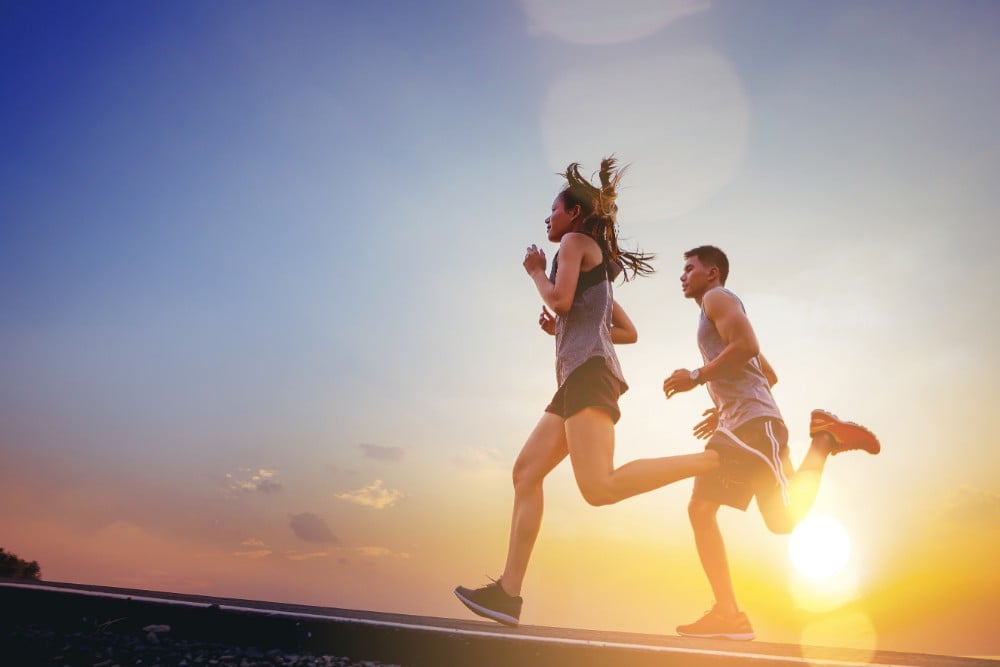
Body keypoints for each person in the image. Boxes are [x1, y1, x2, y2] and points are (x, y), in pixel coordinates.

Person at [454, 159, 723, 627]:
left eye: (553, 210)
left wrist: (537, 272)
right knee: (525, 472)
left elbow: (559, 299)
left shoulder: (575, 245)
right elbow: (625, 330)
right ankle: (507, 594)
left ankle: (712, 461)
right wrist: (564, 324)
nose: (547, 219)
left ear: (574, 216)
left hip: (589, 376)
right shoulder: (589, 261)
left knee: (599, 488)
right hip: (577, 378)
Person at [662, 245, 881, 640]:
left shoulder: (718, 298)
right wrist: (723, 405)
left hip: (754, 427)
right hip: (742, 424)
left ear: (712, 273)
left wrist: (697, 376)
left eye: (689, 268)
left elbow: (748, 347)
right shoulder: (715, 311)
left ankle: (825, 439)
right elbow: (768, 374)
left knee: (785, 519)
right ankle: (728, 614)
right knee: (704, 509)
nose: (682, 276)